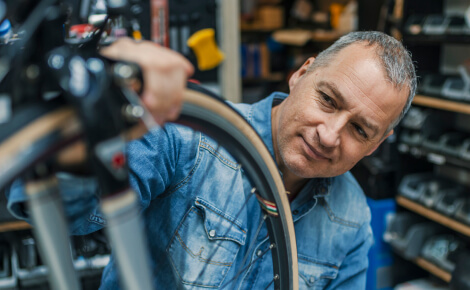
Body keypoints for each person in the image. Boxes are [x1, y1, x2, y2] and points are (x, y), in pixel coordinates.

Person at [6, 31, 416, 289]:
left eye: (360, 130)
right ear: (301, 74)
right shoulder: (190, 136)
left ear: (378, 144)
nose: (329, 135)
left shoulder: (351, 219)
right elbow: (64, 212)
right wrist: (90, 131)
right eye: (327, 100)